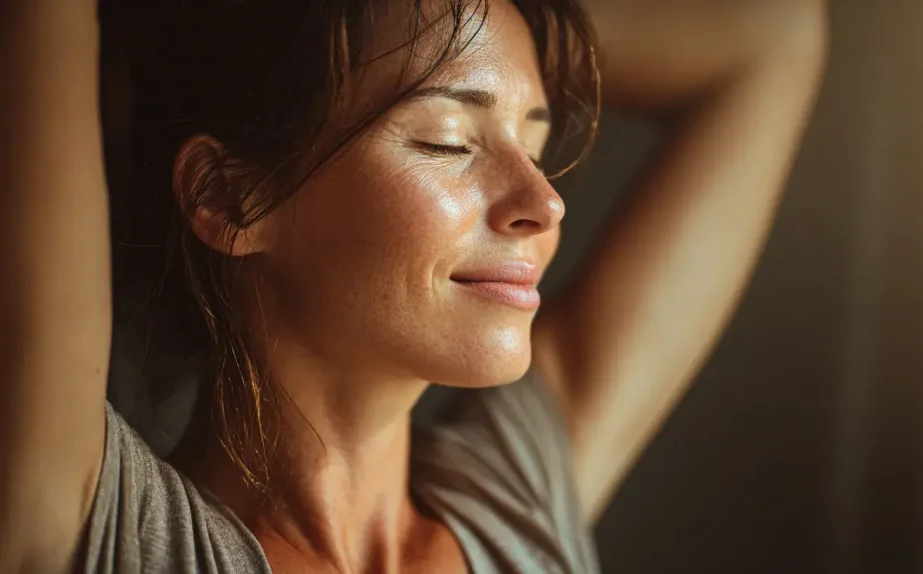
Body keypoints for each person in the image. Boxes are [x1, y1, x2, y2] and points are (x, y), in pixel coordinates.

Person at [0, 0, 827, 572]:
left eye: (533, 143)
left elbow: (777, 30)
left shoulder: (512, 504)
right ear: (229, 196)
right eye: (445, 141)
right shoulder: (90, 527)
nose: (544, 202)